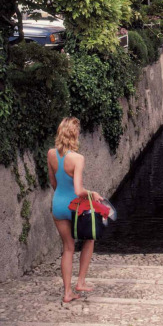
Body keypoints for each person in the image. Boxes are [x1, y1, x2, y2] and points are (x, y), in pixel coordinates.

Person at [47, 117, 104, 303]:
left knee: (68, 248)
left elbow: (53, 183)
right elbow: (79, 190)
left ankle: (67, 293)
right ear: (74, 134)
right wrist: (93, 193)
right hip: (75, 207)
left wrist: (62, 197)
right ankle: (80, 282)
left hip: (58, 205)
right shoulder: (78, 158)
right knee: (89, 239)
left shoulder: (51, 154)